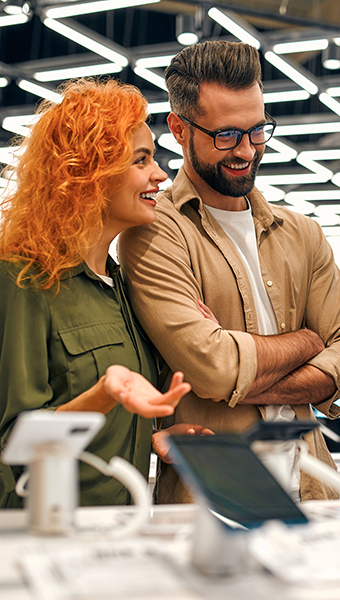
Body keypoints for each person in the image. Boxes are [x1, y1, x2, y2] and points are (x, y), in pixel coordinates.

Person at [119, 40, 340, 503]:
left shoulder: (302, 233)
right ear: (179, 128)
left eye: (257, 131)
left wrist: (243, 378)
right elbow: (214, 369)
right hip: (215, 500)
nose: (246, 151)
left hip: (315, 490)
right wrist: (309, 342)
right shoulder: (154, 234)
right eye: (226, 135)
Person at [0, 78, 205, 508]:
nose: (160, 173)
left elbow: (98, 416)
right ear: (89, 173)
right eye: (141, 160)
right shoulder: (22, 280)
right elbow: (13, 444)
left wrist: (149, 438)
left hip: (117, 528)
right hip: (43, 535)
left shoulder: (121, 289)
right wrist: (104, 394)